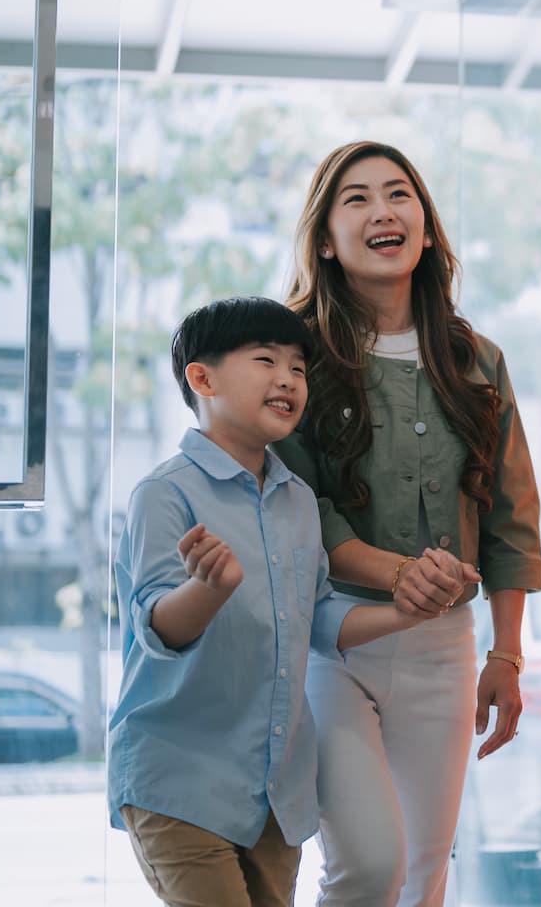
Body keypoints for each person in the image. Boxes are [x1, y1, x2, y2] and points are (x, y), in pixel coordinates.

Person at [110, 296, 455, 907]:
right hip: (180, 784)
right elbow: (158, 626)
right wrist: (207, 590)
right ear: (202, 377)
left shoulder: (297, 499)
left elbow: (319, 615)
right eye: (266, 360)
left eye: (297, 368)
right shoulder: (163, 494)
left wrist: (406, 611)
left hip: (274, 795)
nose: (288, 380)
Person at [274, 142, 541, 907]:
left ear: (425, 229)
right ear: (325, 237)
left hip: (444, 653)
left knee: (427, 876)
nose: (382, 210)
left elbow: (510, 517)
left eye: (399, 194)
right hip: (331, 643)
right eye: (355, 199)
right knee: (367, 867)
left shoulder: (476, 359)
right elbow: (294, 503)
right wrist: (395, 572)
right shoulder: (294, 354)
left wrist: (509, 655)